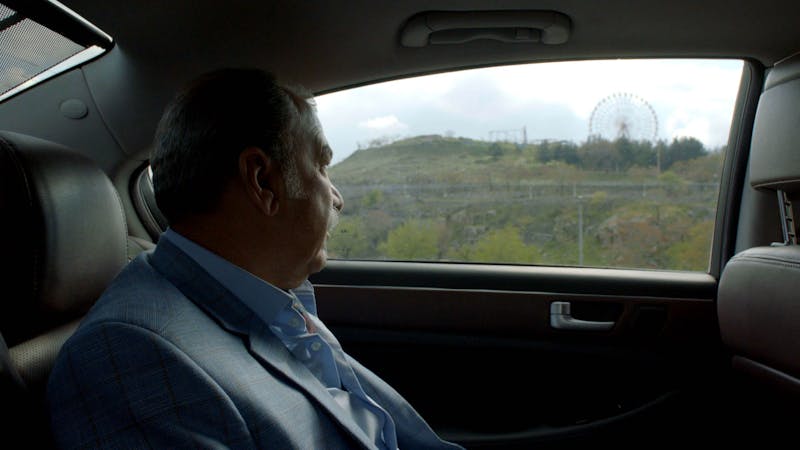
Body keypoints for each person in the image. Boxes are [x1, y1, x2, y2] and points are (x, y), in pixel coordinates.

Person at [47, 68, 462, 450]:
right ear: (263, 181)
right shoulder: (130, 362)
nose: (337, 197)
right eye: (321, 166)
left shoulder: (267, 295)